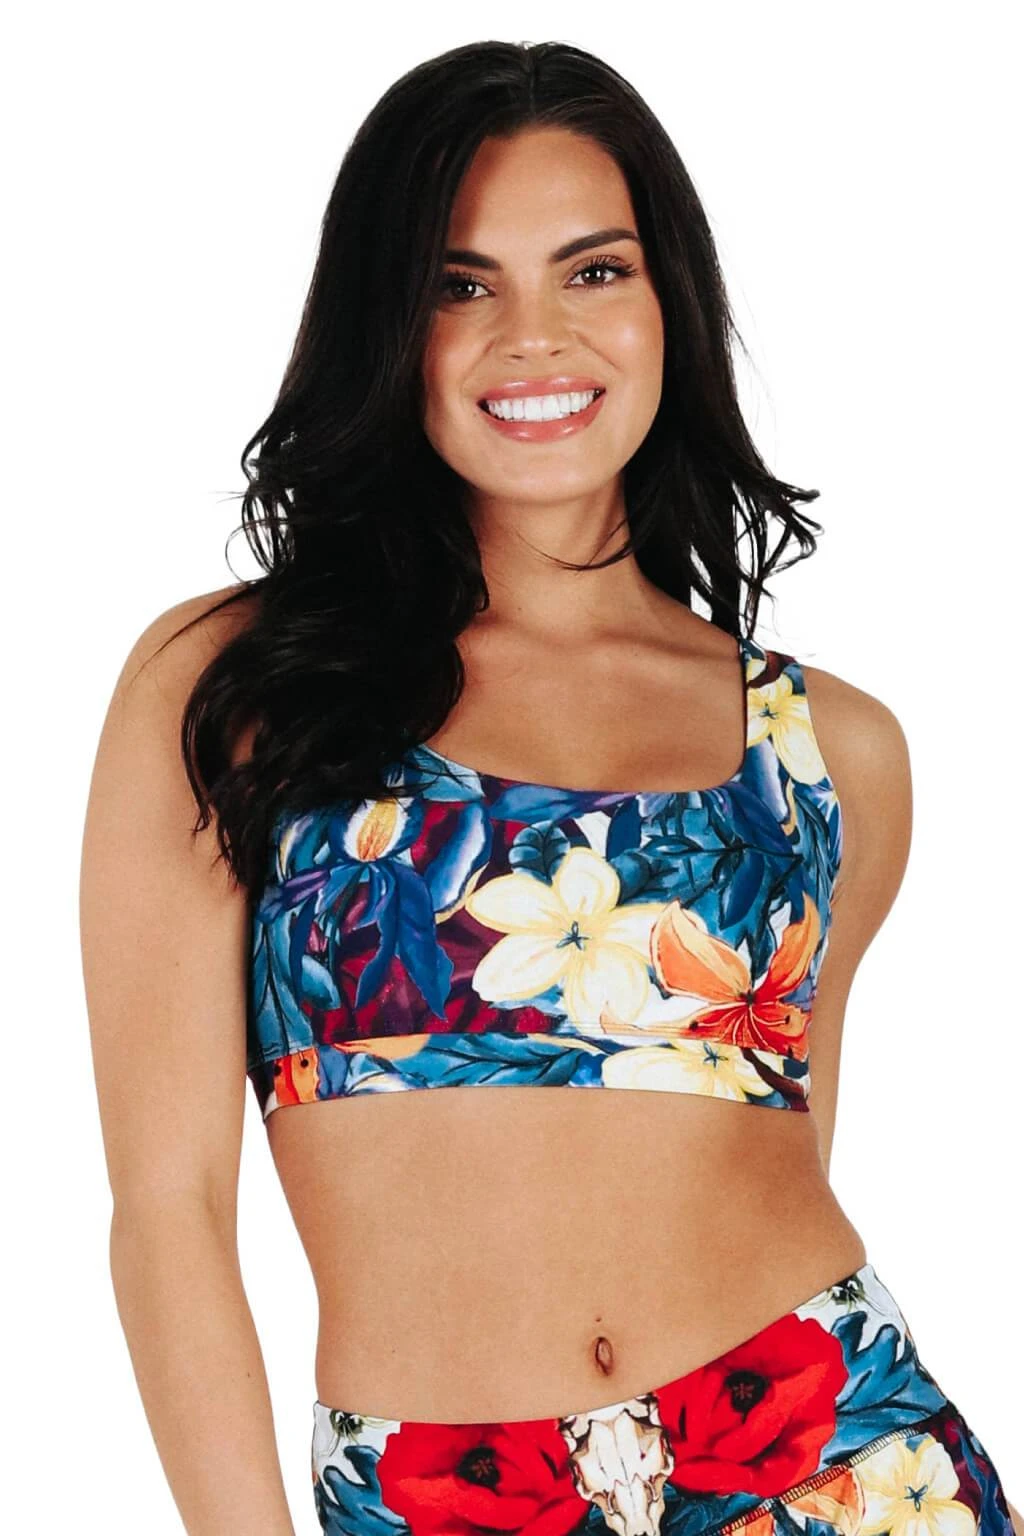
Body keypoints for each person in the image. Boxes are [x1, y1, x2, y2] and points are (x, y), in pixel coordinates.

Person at [79, 38, 1020, 1536]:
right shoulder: (236, 691)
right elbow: (169, 1208)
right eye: (462, 285)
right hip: (447, 1497)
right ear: (387, 323)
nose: (535, 337)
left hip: (839, 1462)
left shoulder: (827, 751)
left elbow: (773, 1141)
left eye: (594, 271)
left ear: (669, 305)